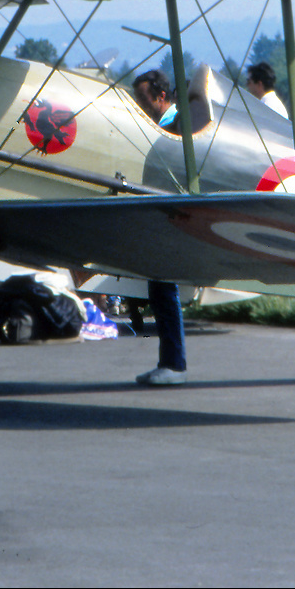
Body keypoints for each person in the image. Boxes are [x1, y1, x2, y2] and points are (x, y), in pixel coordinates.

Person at [131, 70, 188, 386]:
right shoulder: (162, 126)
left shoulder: (174, 128)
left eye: (143, 99)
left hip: (173, 216)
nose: (139, 106)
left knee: (164, 287)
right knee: (158, 287)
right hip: (164, 215)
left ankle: (174, 364)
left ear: (161, 97)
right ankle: (169, 362)